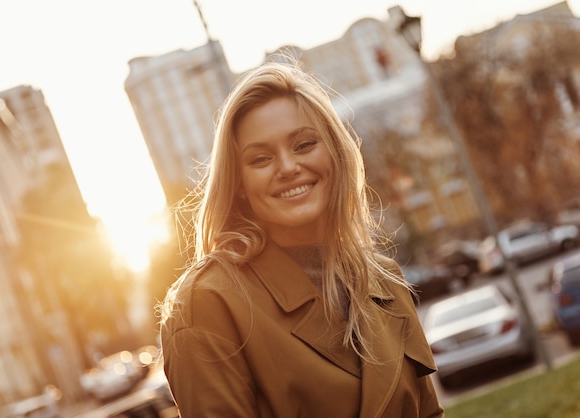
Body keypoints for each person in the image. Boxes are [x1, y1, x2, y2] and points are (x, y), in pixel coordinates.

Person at [157, 59, 444, 417]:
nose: (288, 167)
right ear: (239, 185)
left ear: (336, 155)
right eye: (261, 159)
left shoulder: (385, 282)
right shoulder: (207, 304)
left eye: (305, 144)